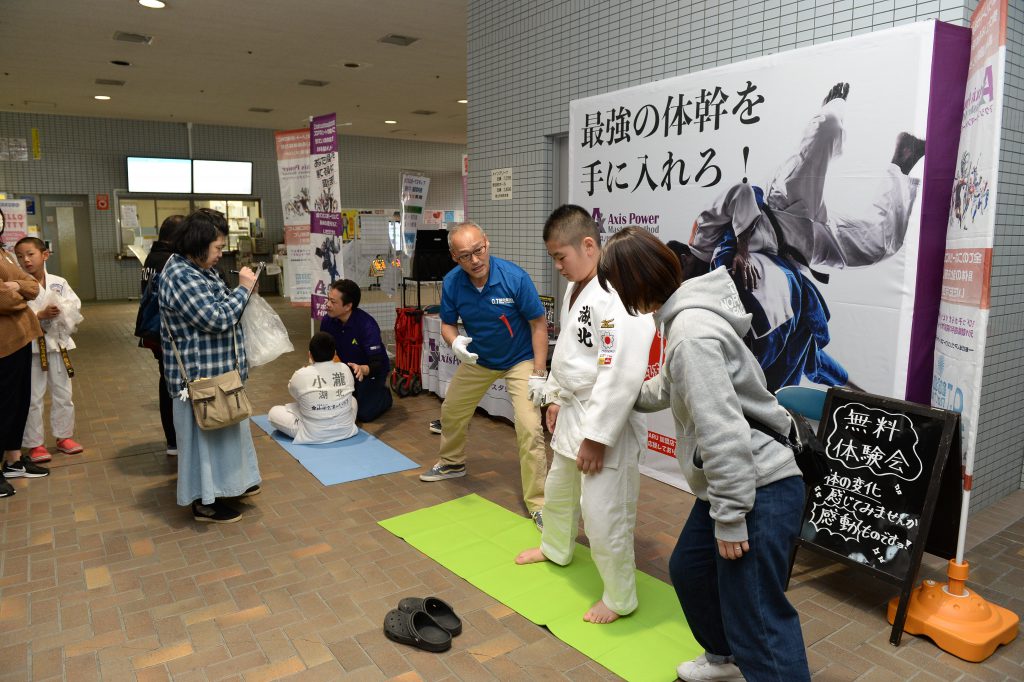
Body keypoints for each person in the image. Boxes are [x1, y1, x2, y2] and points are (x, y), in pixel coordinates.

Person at [598, 227, 810, 681]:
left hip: (758, 485)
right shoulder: (685, 319)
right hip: (732, 482)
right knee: (691, 570)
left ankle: (747, 658)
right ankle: (725, 659)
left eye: (617, 287)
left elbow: (722, 433)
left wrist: (732, 517)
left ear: (633, 284)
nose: (617, 297)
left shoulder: (691, 334)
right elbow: (669, 389)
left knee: (757, 616)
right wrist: (616, 394)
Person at [515, 206, 654, 624]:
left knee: (603, 512)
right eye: (554, 258)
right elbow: (573, 357)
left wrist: (597, 436)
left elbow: (620, 372)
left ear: (589, 245)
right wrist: (555, 397)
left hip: (604, 419)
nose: (557, 267)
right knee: (559, 489)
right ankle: (556, 547)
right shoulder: (581, 287)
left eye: (561, 257)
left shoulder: (616, 295)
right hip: (575, 408)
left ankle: (619, 596)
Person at [418, 221, 549, 529]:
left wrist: (540, 373)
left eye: (479, 251)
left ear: (487, 244)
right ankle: (452, 463)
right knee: (452, 410)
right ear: (454, 256)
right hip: (479, 358)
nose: (475, 260)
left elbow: (538, 324)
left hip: (520, 359)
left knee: (530, 428)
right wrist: (455, 342)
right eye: (465, 255)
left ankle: (540, 503)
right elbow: (448, 324)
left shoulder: (514, 278)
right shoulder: (452, 282)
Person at [159, 208, 261, 524]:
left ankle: (224, 489)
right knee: (203, 444)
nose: (220, 254)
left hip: (217, 375)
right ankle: (205, 503)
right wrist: (243, 289)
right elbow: (216, 319)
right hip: (199, 381)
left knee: (223, 439)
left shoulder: (198, 270)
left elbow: (218, 307)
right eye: (217, 247)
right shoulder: (180, 275)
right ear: (200, 244)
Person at [14, 237, 84, 462]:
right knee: (33, 397)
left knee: (64, 394)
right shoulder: (17, 284)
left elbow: (75, 305)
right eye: (20, 256)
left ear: (45, 255)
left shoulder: (59, 281)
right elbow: (15, 315)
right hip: (32, 347)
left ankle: (64, 437)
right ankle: (35, 444)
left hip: (58, 344)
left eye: (30, 254)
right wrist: (39, 316)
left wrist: (62, 311)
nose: (26, 260)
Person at [0, 208, 50, 497]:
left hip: (21, 339)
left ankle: (14, 461)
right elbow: (5, 300)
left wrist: (17, 286)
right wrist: (21, 296)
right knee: (4, 406)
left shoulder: (4, 253)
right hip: (4, 344)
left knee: (19, 403)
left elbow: (33, 284)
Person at [139, 214, 185, 456]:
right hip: (166, 332)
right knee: (172, 385)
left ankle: (173, 440)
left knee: (166, 380)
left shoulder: (152, 257)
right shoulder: (169, 261)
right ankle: (176, 439)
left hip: (154, 331)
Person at [320, 279, 393, 422]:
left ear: (348, 306)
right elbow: (323, 349)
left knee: (363, 414)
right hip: (345, 372)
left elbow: (378, 363)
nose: (328, 305)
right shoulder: (328, 321)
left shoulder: (367, 325)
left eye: (333, 302)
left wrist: (363, 369)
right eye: (328, 299)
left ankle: (385, 396)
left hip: (369, 372)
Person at [268, 332, 358, 443]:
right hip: (346, 429)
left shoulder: (301, 374)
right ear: (335, 353)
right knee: (352, 400)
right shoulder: (345, 368)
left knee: (273, 412)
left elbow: (293, 393)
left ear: (310, 355)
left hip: (312, 433)